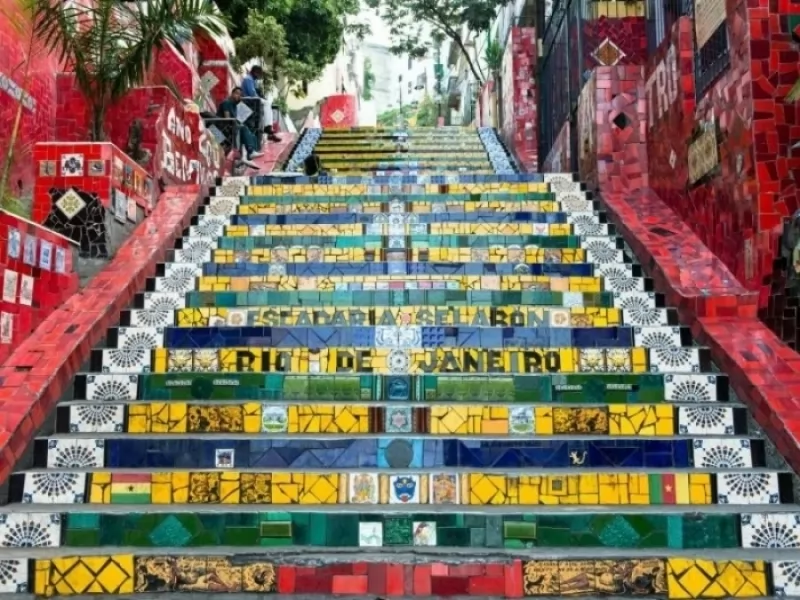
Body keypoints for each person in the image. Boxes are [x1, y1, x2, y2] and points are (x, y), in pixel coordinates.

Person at [217, 87, 262, 169]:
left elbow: (239, 119)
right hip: (223, 128)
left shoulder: (235, 106)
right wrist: (238, 124)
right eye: (237, 93)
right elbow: (227, 119)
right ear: (232, 93)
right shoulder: (226, 103)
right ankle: (249, 153)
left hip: (231, 128)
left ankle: (245, 157)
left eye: (240, 95)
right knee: (243, 128)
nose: (239, 96)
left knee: (250, 133)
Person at [241, 65, 282, 143]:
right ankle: (268, 128)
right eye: (259, 74)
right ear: (255, 72)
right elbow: (252, 94)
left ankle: (269, 131)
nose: (260, 76)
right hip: (248, 102)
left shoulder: (252, 80)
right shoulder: (248, 79)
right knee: (266, 104)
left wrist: (261, 97)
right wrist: (261, 99)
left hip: (252, 102)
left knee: (266, 108)